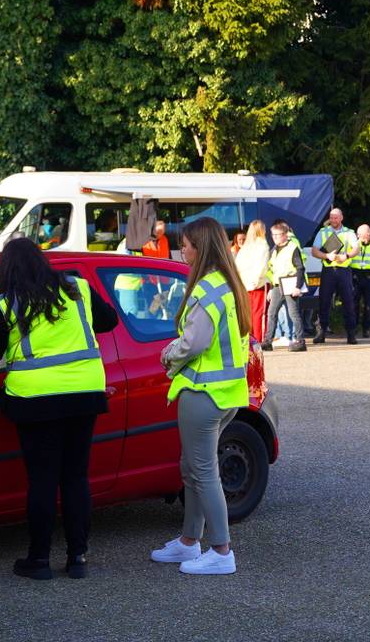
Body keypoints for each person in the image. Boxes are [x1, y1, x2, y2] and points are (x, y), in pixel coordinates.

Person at [0, 238, 120, 580]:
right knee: (75, 477)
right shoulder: (77, 288)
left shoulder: (6, 302)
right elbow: (109, 321)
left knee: (42, 480)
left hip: (35, 401)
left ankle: (39, 560)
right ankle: (77, 559)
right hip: (84, 393)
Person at [152, 217, 251, 575]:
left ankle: (221, 551)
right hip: (224, 394)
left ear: (201, 248)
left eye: (187, 244)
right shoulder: (228, 284)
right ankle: (189, 543)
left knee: (203, 472)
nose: (182, 250)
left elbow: (195, 342)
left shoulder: (206, 288)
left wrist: (168, 353)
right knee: (193, 468)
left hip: (203, 393)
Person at [312, 208, 360, 344]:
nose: (333, 220)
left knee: (348, 302)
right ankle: (321, 332)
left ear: (341, 218)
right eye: (331, 217)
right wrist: (327, 255)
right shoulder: (323, 232)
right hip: (328, 270)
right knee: (324, 302)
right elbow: (315, 251)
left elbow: (356, 249)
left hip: (344, 271)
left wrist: (347, 256)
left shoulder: (349, 233)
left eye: (336, 217)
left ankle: (351, 334)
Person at [262, 221, 307, 352]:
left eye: (277, 235)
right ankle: (267, 341)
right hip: (277, 286)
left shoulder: (293, 248)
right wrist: (271, 288)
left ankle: (300, 341)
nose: (274, 237)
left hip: (290, 284)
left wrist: (298, 287)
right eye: (272, 235)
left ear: (285, 235)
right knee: (271, 313)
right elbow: (273, 270)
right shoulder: (274, 250)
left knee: (293, 313)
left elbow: (300, 268)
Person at [235, 220, 271, 345]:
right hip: (259, 284)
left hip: (245, 285)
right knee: (260, 314)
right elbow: (262, 265)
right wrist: (256, 279)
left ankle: (248, 340)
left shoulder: (245, 248)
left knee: (248, 313)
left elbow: (237, 266)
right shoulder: (263, 245)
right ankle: (259, 340)